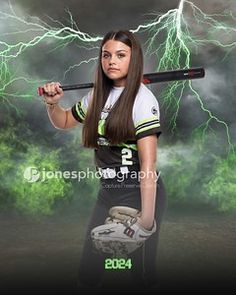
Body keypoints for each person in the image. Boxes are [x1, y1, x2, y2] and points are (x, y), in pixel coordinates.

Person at [42, 30, 166, 292]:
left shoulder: (143, 101)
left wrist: (146, 222)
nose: (112, 61)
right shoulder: (97, 96)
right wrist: (52, 105)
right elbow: (64, 122)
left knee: (139, 275)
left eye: (121, 55)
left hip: (137, 194)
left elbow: (148, 166)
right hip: (108, 194)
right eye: (106, 55)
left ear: (134, 60)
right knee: (89, 271)